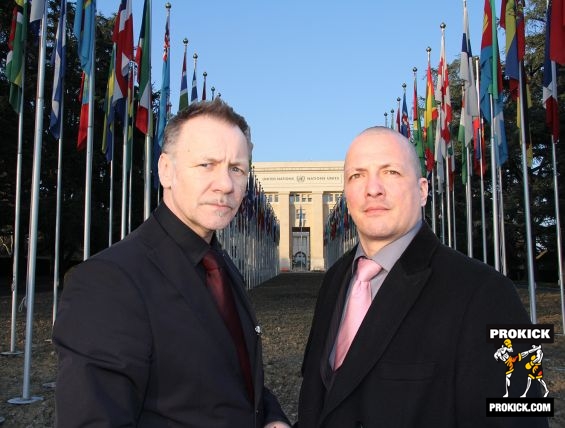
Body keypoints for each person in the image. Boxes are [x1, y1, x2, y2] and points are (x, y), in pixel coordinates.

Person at [53, 99, 291, 428]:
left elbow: (237, 379)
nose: (225, 184)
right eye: (206, 164)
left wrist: (271, 417)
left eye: (236, 168)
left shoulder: (222, 268)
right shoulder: (109, 282)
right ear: (166, 170)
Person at [296, 127, 548, 427]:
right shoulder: (334, 281)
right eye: (357, 175)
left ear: (423, 190)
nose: (372, 188)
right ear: (347, 195)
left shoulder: (493, 294)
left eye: (390, 172)